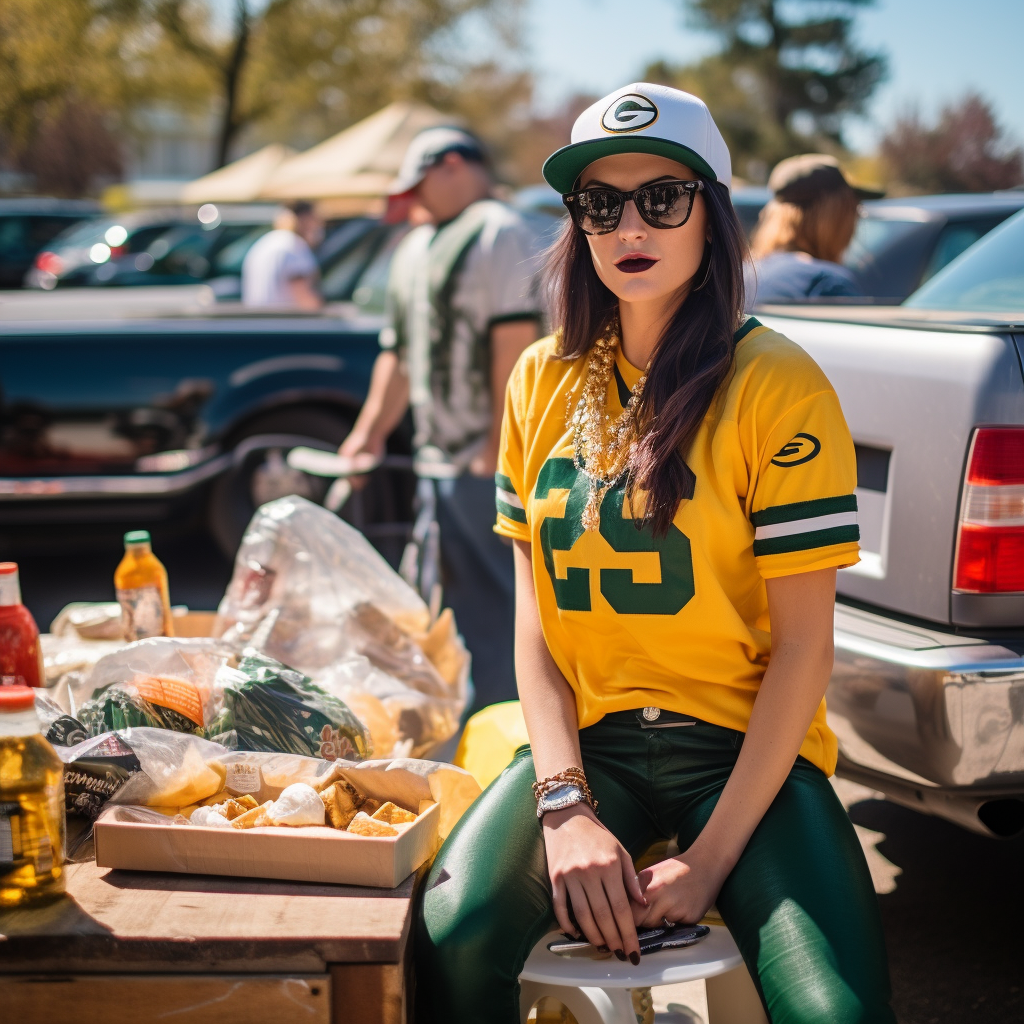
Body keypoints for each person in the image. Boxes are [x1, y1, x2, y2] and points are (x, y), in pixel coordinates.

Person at [416, 83, 895, 1024]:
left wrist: (709, 859)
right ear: (579, 225)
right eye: (601, 203)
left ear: (711, 215)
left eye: (662, 198)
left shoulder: (779, 384)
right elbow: (534, 625)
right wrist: (562, 807)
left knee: (833, 1010)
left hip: (742, 750)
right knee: (453, 932)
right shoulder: (537, 380)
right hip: (591, 750)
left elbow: (805, 649)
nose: (630, 223)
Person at [338, 127, 543, 711]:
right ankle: (459, 731)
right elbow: (398, 353)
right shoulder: (414, 246)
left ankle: (515, 736)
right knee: (436, 604)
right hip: (436, 464)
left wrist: (498, 441)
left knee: (498, 608)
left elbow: (518, 343)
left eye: (420, 183)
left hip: (487, 464)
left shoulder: (500, 231)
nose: (415, 200)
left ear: (453, 165)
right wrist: (369, 432)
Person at [745, 154, 877, 305]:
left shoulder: (741, 274)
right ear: (835, 218)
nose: (856, 221)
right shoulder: (827, 283)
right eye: (854, 210)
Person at [241, 200, 324, 309]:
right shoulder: (294, 246)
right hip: (285, 322)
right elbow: (304, 297)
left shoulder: (267, 242)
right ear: (306, 219)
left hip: (259, 321)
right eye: (316, 220)